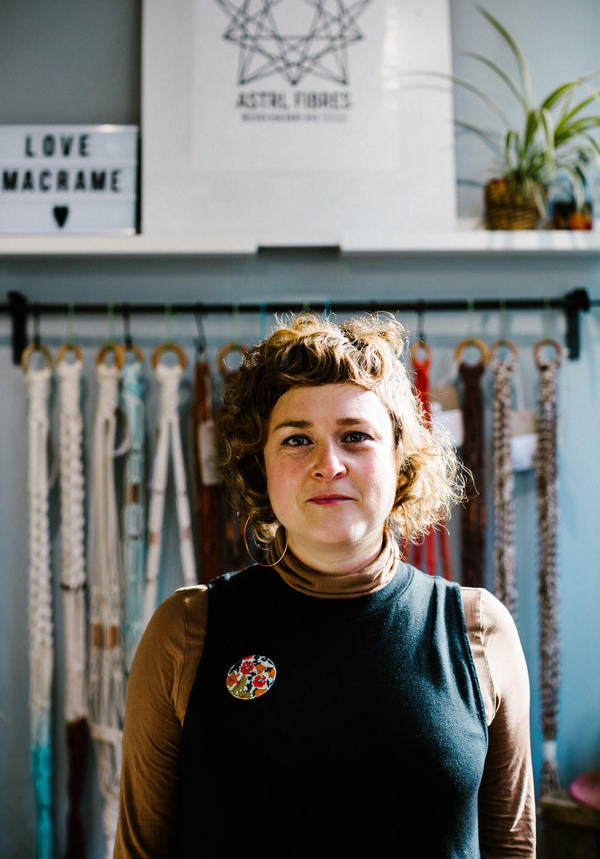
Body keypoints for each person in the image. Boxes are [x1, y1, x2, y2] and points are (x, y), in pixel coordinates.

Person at [114, 313, 536, 858]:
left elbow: (512, 847)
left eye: (355, 436)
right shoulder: (187, 631)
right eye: (296, 440)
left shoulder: (479, 630)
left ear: (400, 462)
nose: (328, 464)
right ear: (260, 466)